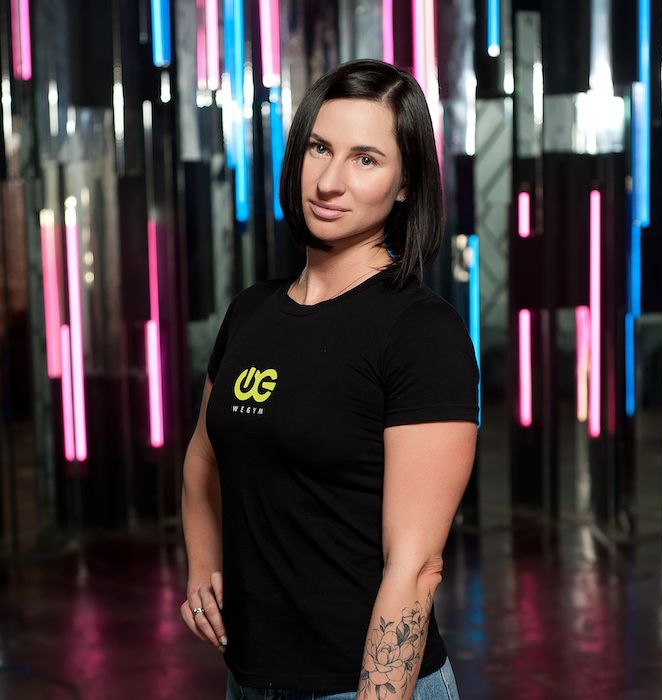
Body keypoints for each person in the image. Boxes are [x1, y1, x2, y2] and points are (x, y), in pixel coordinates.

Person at [180, 58, 479, 700]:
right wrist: (202, 567)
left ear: (405, 184)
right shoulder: (250, 312)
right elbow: (204, 457)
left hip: (363, 683)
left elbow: (417, 566)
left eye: (365, 159)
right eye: (320, 148)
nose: (330, 181)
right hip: (250, 680)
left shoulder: (421, 331)